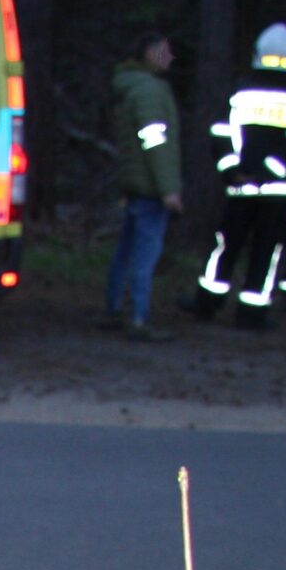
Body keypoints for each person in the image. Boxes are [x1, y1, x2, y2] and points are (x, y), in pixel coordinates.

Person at [184, 23, 286, 329]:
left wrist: (233, 172)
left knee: (226, 247)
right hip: (276, 192)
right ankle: (252, 314)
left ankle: (207, 303)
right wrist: (266, 173)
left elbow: (221, 134)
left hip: (241, 188)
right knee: (265, 253)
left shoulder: (240, 91)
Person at [103, 30, 183, 343]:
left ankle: (113, 309)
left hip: (135, 184)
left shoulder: (129, 86)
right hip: (150, 188)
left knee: (125, 251)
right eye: (164, 50)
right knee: (144, 255)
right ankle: (138, 317)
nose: (170, 57)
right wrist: (169, 189)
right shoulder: (149, 90)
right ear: (149, 53)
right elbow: (155, 141)